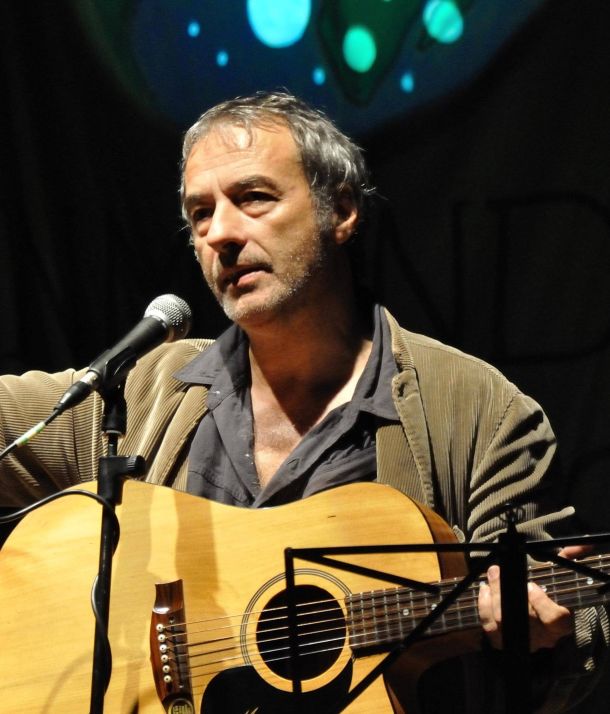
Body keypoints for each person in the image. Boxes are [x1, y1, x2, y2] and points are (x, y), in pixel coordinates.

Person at [0, 91, 607, 712]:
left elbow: (573, 623)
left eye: (253, 198)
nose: (221, 233)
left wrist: (541, 637)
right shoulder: (148, 388)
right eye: (200, 213)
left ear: (340, 210)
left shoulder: (481, 413)